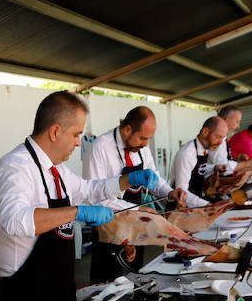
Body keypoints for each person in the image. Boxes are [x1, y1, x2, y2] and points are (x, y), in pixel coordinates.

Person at [0, 91, 138, 301]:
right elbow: (15, 220)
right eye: (76, 134)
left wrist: (129, 180)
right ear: (55, 131)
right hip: (28, 297)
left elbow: (90, 190)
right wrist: (76, 212)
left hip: (59, 288)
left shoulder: (57, 170)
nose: (79, 142)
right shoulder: (15, 168)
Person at [83, 106, 205, 283]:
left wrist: (170, 192)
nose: (146, 144)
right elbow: (96, 199)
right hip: (110, 229)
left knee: (133, 277)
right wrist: (139, 209)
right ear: (127, 130)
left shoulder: (140, 148)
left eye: (148, 139)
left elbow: (154, 179)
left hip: (136, 228)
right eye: (143, 138)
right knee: (110, 283)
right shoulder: (99, 148)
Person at [170, 116, 228, 199]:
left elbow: (196, 168)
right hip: (180, 206)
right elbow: (181, 192)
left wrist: (215, 168)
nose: (220, 143)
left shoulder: (203, 149)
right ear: (205, 132)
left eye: (223, 138)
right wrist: (207, 205)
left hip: (195, 201)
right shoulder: (187, 154)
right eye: (218, 137)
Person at [208, 105, 252, 173]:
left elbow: (222, 160)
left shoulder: (223, 139)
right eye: (237, 122)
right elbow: (222, 168)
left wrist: (236, 159)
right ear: (227, 121)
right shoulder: (217, 139)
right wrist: (247, 163)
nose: (238, 126)